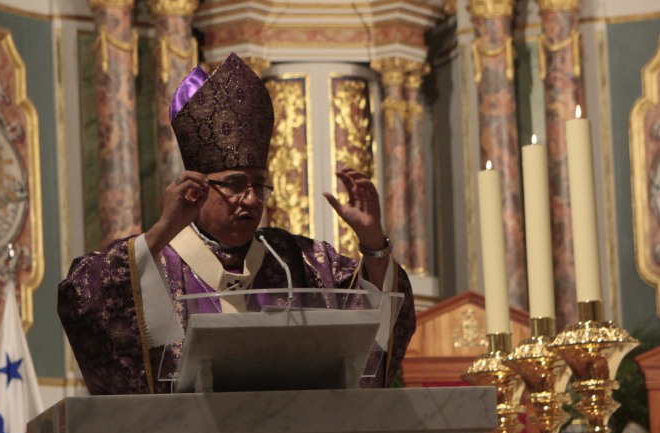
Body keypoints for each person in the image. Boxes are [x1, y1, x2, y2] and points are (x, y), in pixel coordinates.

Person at [58, 53, 416, 395]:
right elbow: (82, 298)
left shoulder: (294, 260)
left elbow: (373, 330)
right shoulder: (160, 261)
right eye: (234, 184)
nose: (251, 198)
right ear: (196, 187)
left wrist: (373, 244)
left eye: (259, 184)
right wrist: (164, 228)